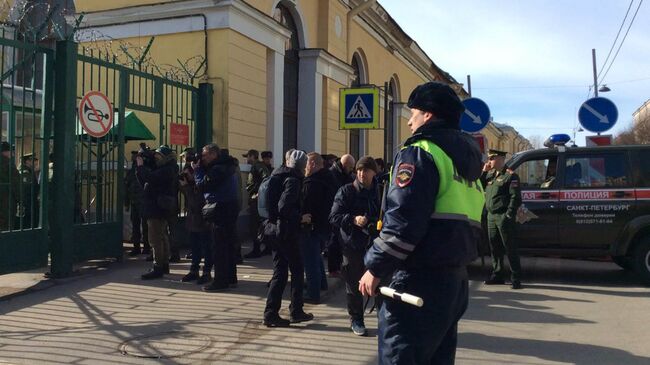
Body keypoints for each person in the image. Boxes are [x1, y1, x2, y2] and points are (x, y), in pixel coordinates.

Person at [358, 82, 485, 364]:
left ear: (428, 115)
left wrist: (375, 267)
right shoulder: (465, 163)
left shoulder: (420, 152)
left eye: (412, 112)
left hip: (417, 279)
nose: (408, 119)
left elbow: (403, 221)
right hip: (454, 281)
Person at [329, 156, 380, 336]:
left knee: (381, 282)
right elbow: (334, 217)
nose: (361, 173)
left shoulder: (380, 192)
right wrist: (353, 219)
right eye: (358, 170)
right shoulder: (346, 191)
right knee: (353, 284)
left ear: (374, 172)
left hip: (376, 245)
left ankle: (385, 318)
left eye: (365, 170)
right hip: (352, 244)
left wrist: (375, 223)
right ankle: (356, 319)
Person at [263, 149, 314, 327]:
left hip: (274, 229)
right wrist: (301, 217)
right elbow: (284, 207)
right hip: (286, 231)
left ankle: (272, 313)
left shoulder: (278, 175)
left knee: (280, 272)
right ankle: (294, 310)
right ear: (302, 165)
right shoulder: (293, 180)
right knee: (296, 271)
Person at [193, 143, 240, 291]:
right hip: (230, 205)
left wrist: (198, 171)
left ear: (214, 154)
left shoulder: (218, 169)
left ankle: (220, 281)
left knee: (219, 246)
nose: (203, 158)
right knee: (229, 244)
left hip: (220, 207)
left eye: (205, 155)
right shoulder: (226, 165)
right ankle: (231, 277)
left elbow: (203, 185)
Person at [481, 149, 523, 289]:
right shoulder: (490, 175)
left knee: (509, 247)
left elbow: (515, 197)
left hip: (503, 216)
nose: (489, 161)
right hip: (491, 216)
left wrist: (509, 215)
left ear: (500, 159)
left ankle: (516, 278)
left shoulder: (510, 176)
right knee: (495, 247)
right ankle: (498, 275)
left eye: (492, 159)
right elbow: (479, 186)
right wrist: (484, 172)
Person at [136, 145, 178, 280]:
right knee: (162, 236)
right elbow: (145, 181)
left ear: (165, 158)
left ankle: (158, 267)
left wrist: (141, 166)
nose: (156, 159)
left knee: (155, 239)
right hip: (158, 207)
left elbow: (149, 178)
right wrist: (141, 168)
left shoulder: (166, 170)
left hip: (157, 208)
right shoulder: (166, 168)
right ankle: (164, 265)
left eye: (158, 156)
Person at [300, 152, 336, 303]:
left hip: (313, 224)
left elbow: (308, 204)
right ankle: (322, 283)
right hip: (325, 224)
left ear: (313, 164)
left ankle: (313, 293)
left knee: (310, 259)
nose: (305, 167)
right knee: (316, 255)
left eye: (306, 164)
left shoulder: (312, 182)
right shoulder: (329, 177)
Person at [179, 164, 213, 285]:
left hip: (202, 222)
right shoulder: (191, 185)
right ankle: (194, 270)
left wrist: (187, 187)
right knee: (195, 248)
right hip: (193, 222)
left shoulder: (201, 184)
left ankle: (206, 272)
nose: (186, 177)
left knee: (206, 248)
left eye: (187, 174)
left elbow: (195, 203)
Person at [327, 154, 356, 277]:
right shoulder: (332, 174)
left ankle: (338, 266)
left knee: (339, 240)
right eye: (350, 168)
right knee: (334, 240)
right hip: (334, 211)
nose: (351, 170)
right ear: (345, 165)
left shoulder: (344, 174)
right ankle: (333, 268)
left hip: (342, 211)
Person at [243, 149, 272, 259]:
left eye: (247, 157)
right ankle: (267, 247)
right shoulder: (256, 166)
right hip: (256, 199)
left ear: (252, 156)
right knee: (260, 225)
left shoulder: (258, 166)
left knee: (254, 226)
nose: (246, 159)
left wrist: (259, 193)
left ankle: (256, 249)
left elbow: (267, 178)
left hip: (256, 200)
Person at [125, 151, 150, 256]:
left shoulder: (146, 170)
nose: (133, 158)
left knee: (144, 226)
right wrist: (127, 202)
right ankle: (138, 247)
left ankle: (145, 246)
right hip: (136, 201)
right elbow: (126, 187)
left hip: (143, 201)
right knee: (137, 225)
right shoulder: (131, 171)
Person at [0, 142, 19, 231]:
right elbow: (16, 185)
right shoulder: (8, 164)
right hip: (6, 202)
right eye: (11, 151)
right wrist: (20, 200)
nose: (13, 154)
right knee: (6, 229)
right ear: (5, 152)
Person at [19, 153, 40, 229]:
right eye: (33, 160)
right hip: (28, 206)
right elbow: (26, 192)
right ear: (27, 162)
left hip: (29, 205)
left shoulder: (30, 172)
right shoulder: (25, 174)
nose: (36, 162)